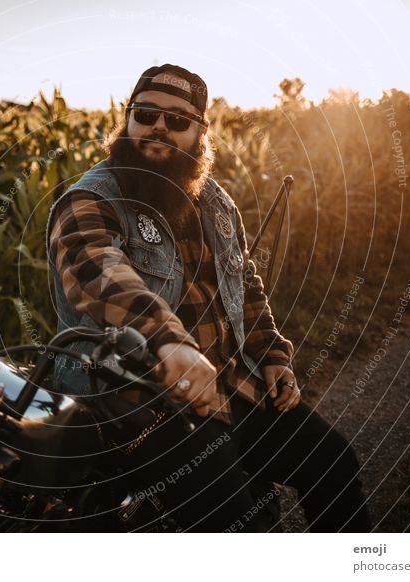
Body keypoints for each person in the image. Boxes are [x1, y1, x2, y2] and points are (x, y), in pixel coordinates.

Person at [45, 64, 371, 532]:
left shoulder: (213, 201)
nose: (159, 127)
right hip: (138, 403)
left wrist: (271, 351)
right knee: (241, 529)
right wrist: (166, 341)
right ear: (127, 118)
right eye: (146, 113)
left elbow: (244, 282)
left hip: (229, 383)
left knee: (335, 463)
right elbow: (98, 273)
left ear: (200, 132)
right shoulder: (90, 201)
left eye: (178, 120)